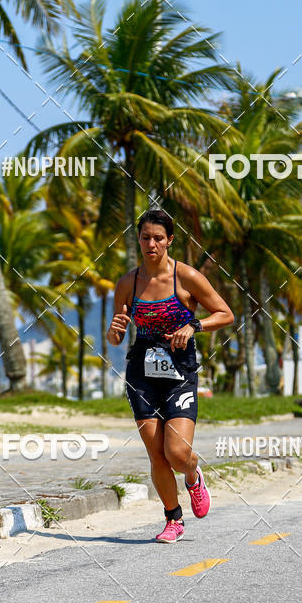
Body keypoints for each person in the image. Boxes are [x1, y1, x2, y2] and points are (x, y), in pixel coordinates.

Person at [107, 209, 234, 543]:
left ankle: (192, 474)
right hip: (141, 371)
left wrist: (194, 325)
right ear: (138, 239)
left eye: (158, 238)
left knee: (177, 453)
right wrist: (113, 332)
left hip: (180, 370)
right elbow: (116, 337)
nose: (152, 244)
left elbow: (225, 314)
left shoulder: (186, 276)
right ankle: (173, 519)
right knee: (156, 453)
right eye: (146, 237)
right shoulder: (127, 283)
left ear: (170, 241)